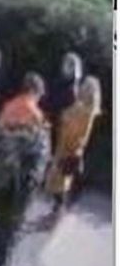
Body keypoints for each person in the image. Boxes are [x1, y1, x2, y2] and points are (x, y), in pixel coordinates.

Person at [44, 76, 102, 218]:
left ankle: (58, 208)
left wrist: (76, 147)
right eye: (85, 86)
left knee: (61, 179)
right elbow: (66, 115)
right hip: (64, 143)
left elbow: (82, 132)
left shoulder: (88, 110)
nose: (85, 89)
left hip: (70, 147)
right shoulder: (80, 104)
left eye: (88, 87)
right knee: (57, 178)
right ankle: (57, 207)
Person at [44, 52, 83, 153]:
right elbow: (49, 99)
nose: (67, 67)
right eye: (66, 64)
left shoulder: (74, 89)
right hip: (51, 118)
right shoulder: (56, 81)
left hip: (64, 123)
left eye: (70, 65)